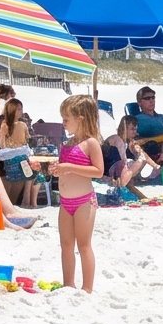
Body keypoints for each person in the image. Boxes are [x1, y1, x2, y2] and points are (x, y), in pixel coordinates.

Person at [53, 96, 105, 292]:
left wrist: (70, 168)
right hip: (65, 202)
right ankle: (68, 284)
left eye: (66, 119)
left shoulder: (91, 143)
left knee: (84, 245)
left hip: (84, 201)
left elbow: (99, 171)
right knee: (66, 245)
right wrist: (57, 169)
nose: (63, 123)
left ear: (81, 119)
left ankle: (87, 288)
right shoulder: (67, 144)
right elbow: (65, 168)